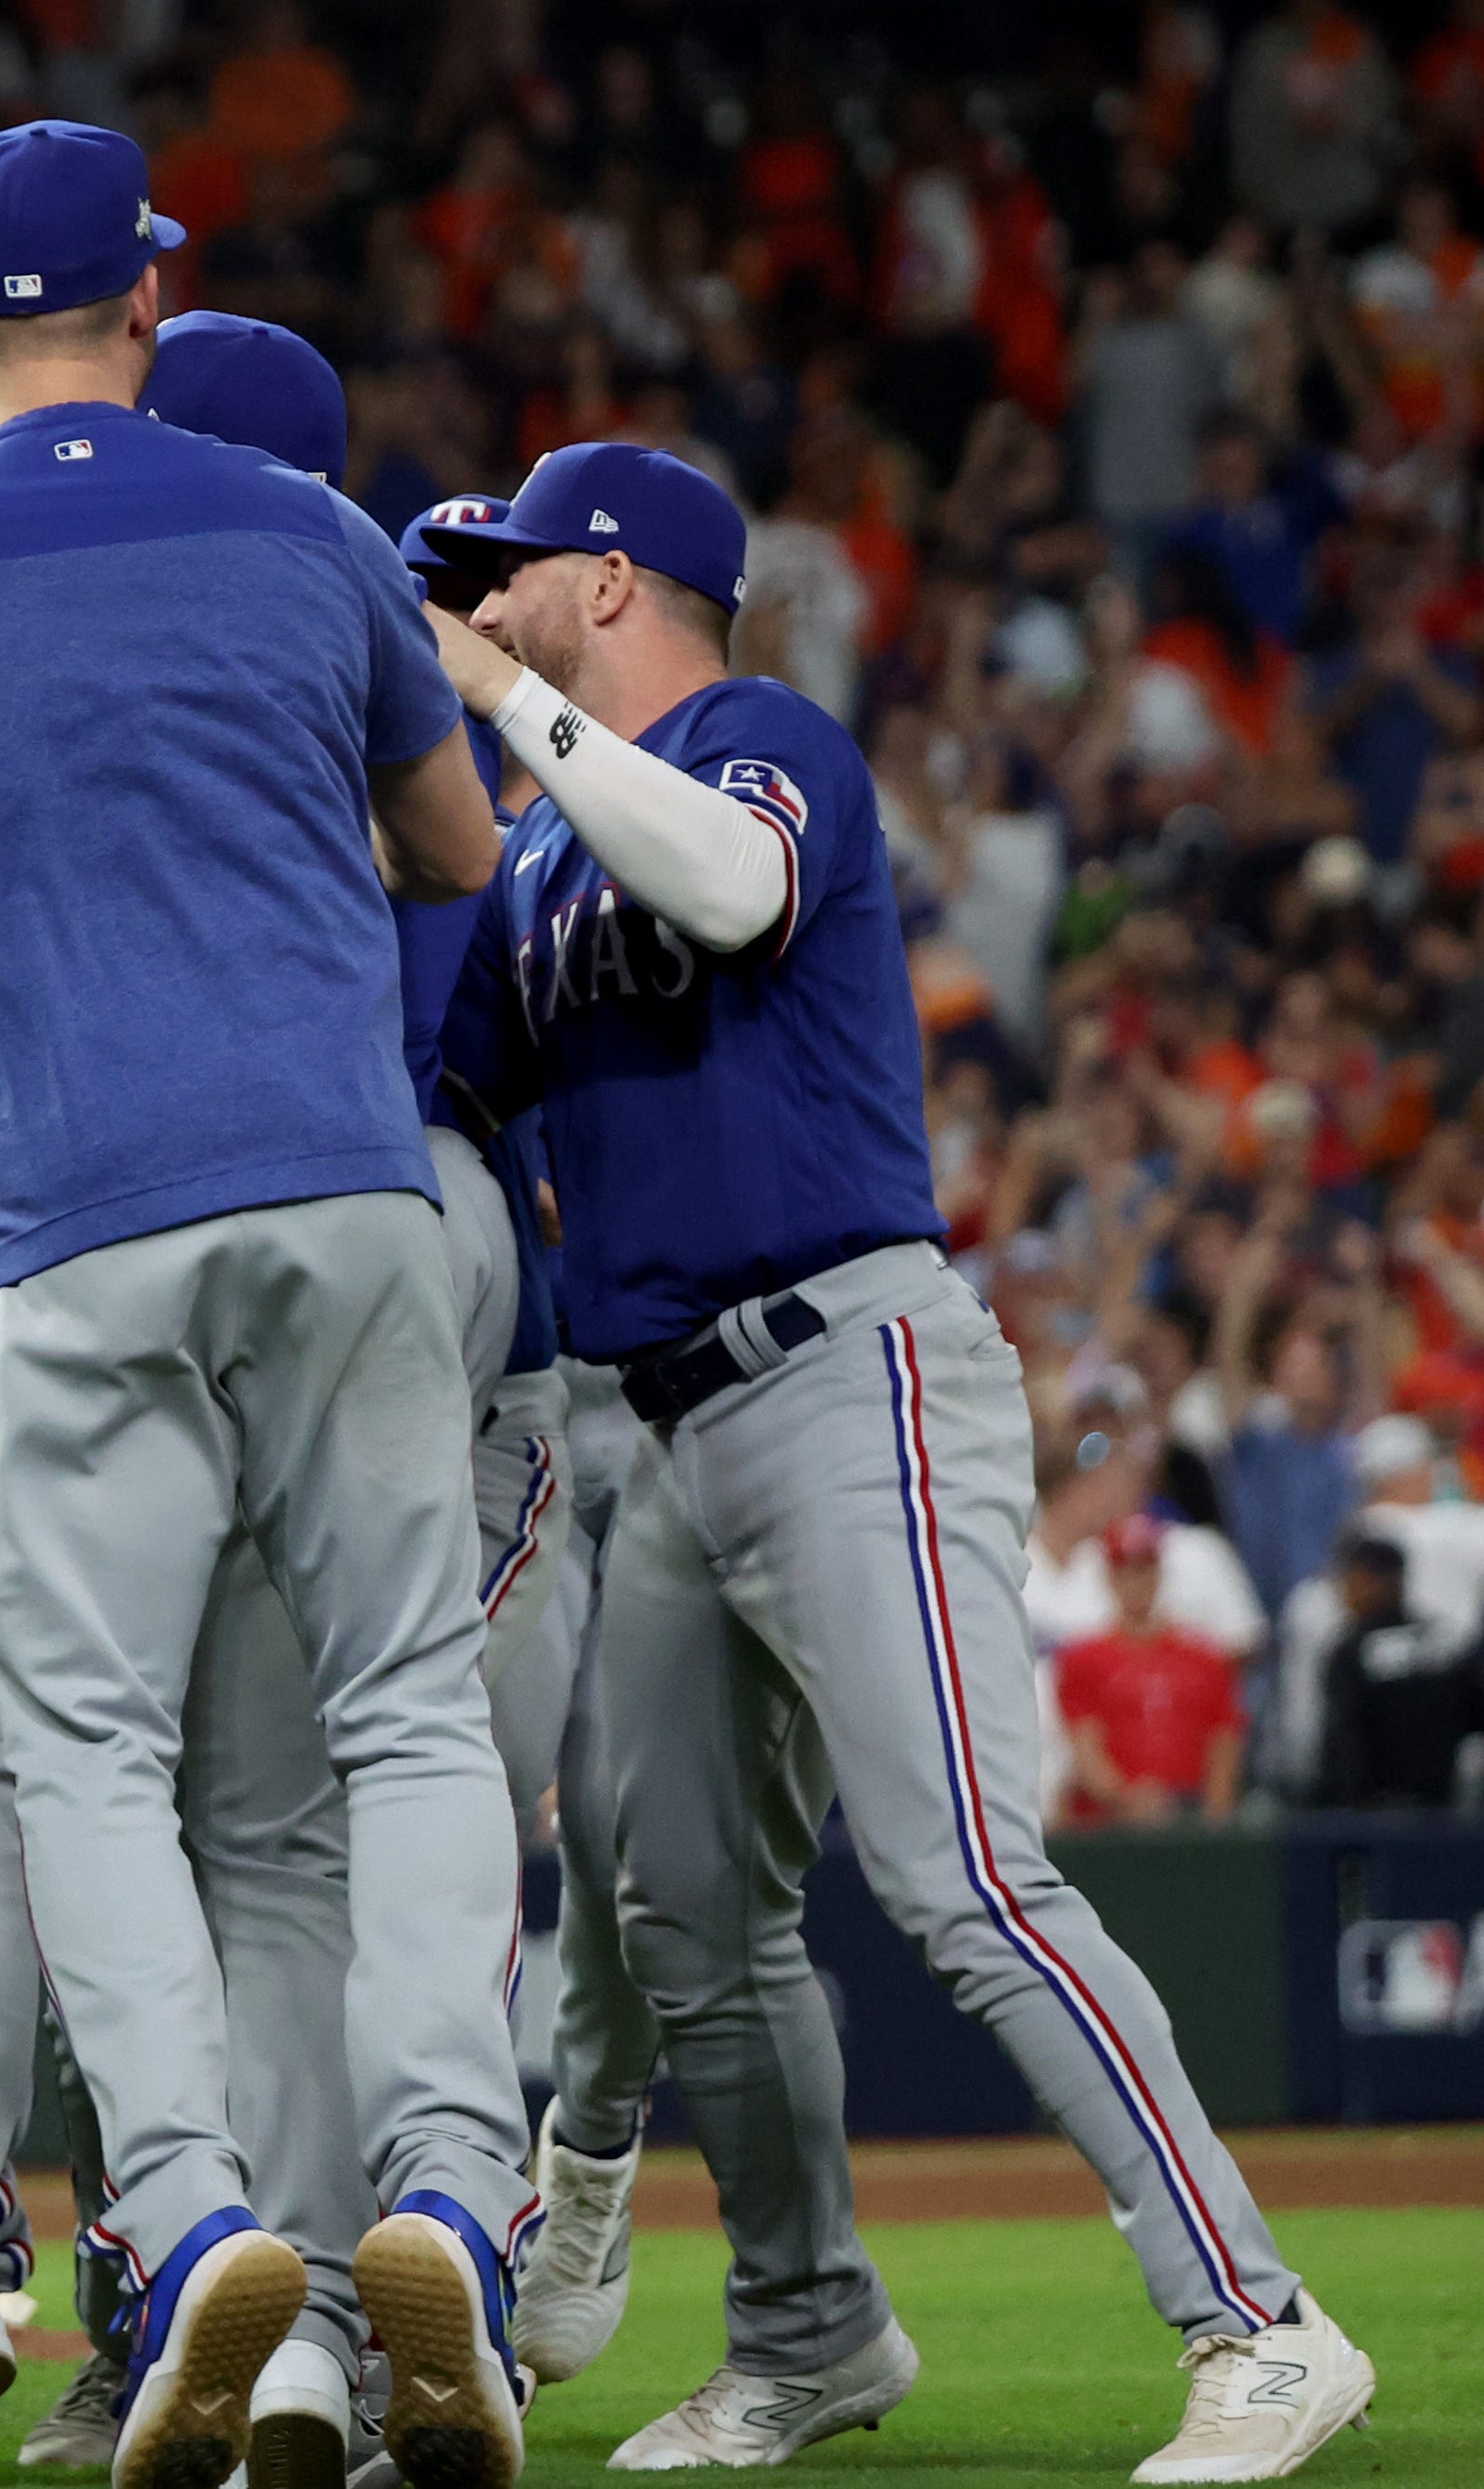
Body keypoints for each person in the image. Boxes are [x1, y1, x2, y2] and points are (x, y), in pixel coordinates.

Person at [425, 436, 1376, 2476]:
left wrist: (497, 700)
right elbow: (434, 1107)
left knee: (955, 1873)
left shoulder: (761, 737)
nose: (476, 600)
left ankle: (1260, 2322)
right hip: (657, 1423)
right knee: (674, 1905)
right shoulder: (524, 853)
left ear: (605, 584)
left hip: (842, 1369)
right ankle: (803, 2336)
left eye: (507, 573)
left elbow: (734, 883)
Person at [0, 122, 529, 2489]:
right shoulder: (308, 531)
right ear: (150, 289)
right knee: (401, 1713)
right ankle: (444, 2203)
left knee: (80, 1749)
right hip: (337, 1185)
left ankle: (186, 2206)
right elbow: (459, 853)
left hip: (69, 1217)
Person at [1055, 1515, 1252, 1827]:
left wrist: (1215, 1816)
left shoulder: (1203, 1656)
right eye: (1125, 1570)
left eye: (1144, 1568)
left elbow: (1225, 1740)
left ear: (1159, 1572)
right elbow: (1085, 1745)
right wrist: (1126, 1799)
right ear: (1110, 1577)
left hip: (1190, 1812)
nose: (1137, 1582)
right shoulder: (1084, 1658)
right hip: (1111, 1821)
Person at [1313, 1534, 1483, 1808]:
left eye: (1351, 1577)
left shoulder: (1354, 1649)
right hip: (1442, 1813)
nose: (1344, 1589)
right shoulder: (1444, 1640)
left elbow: (1344, 1744)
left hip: (1373, 1818)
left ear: (1377, 1579)